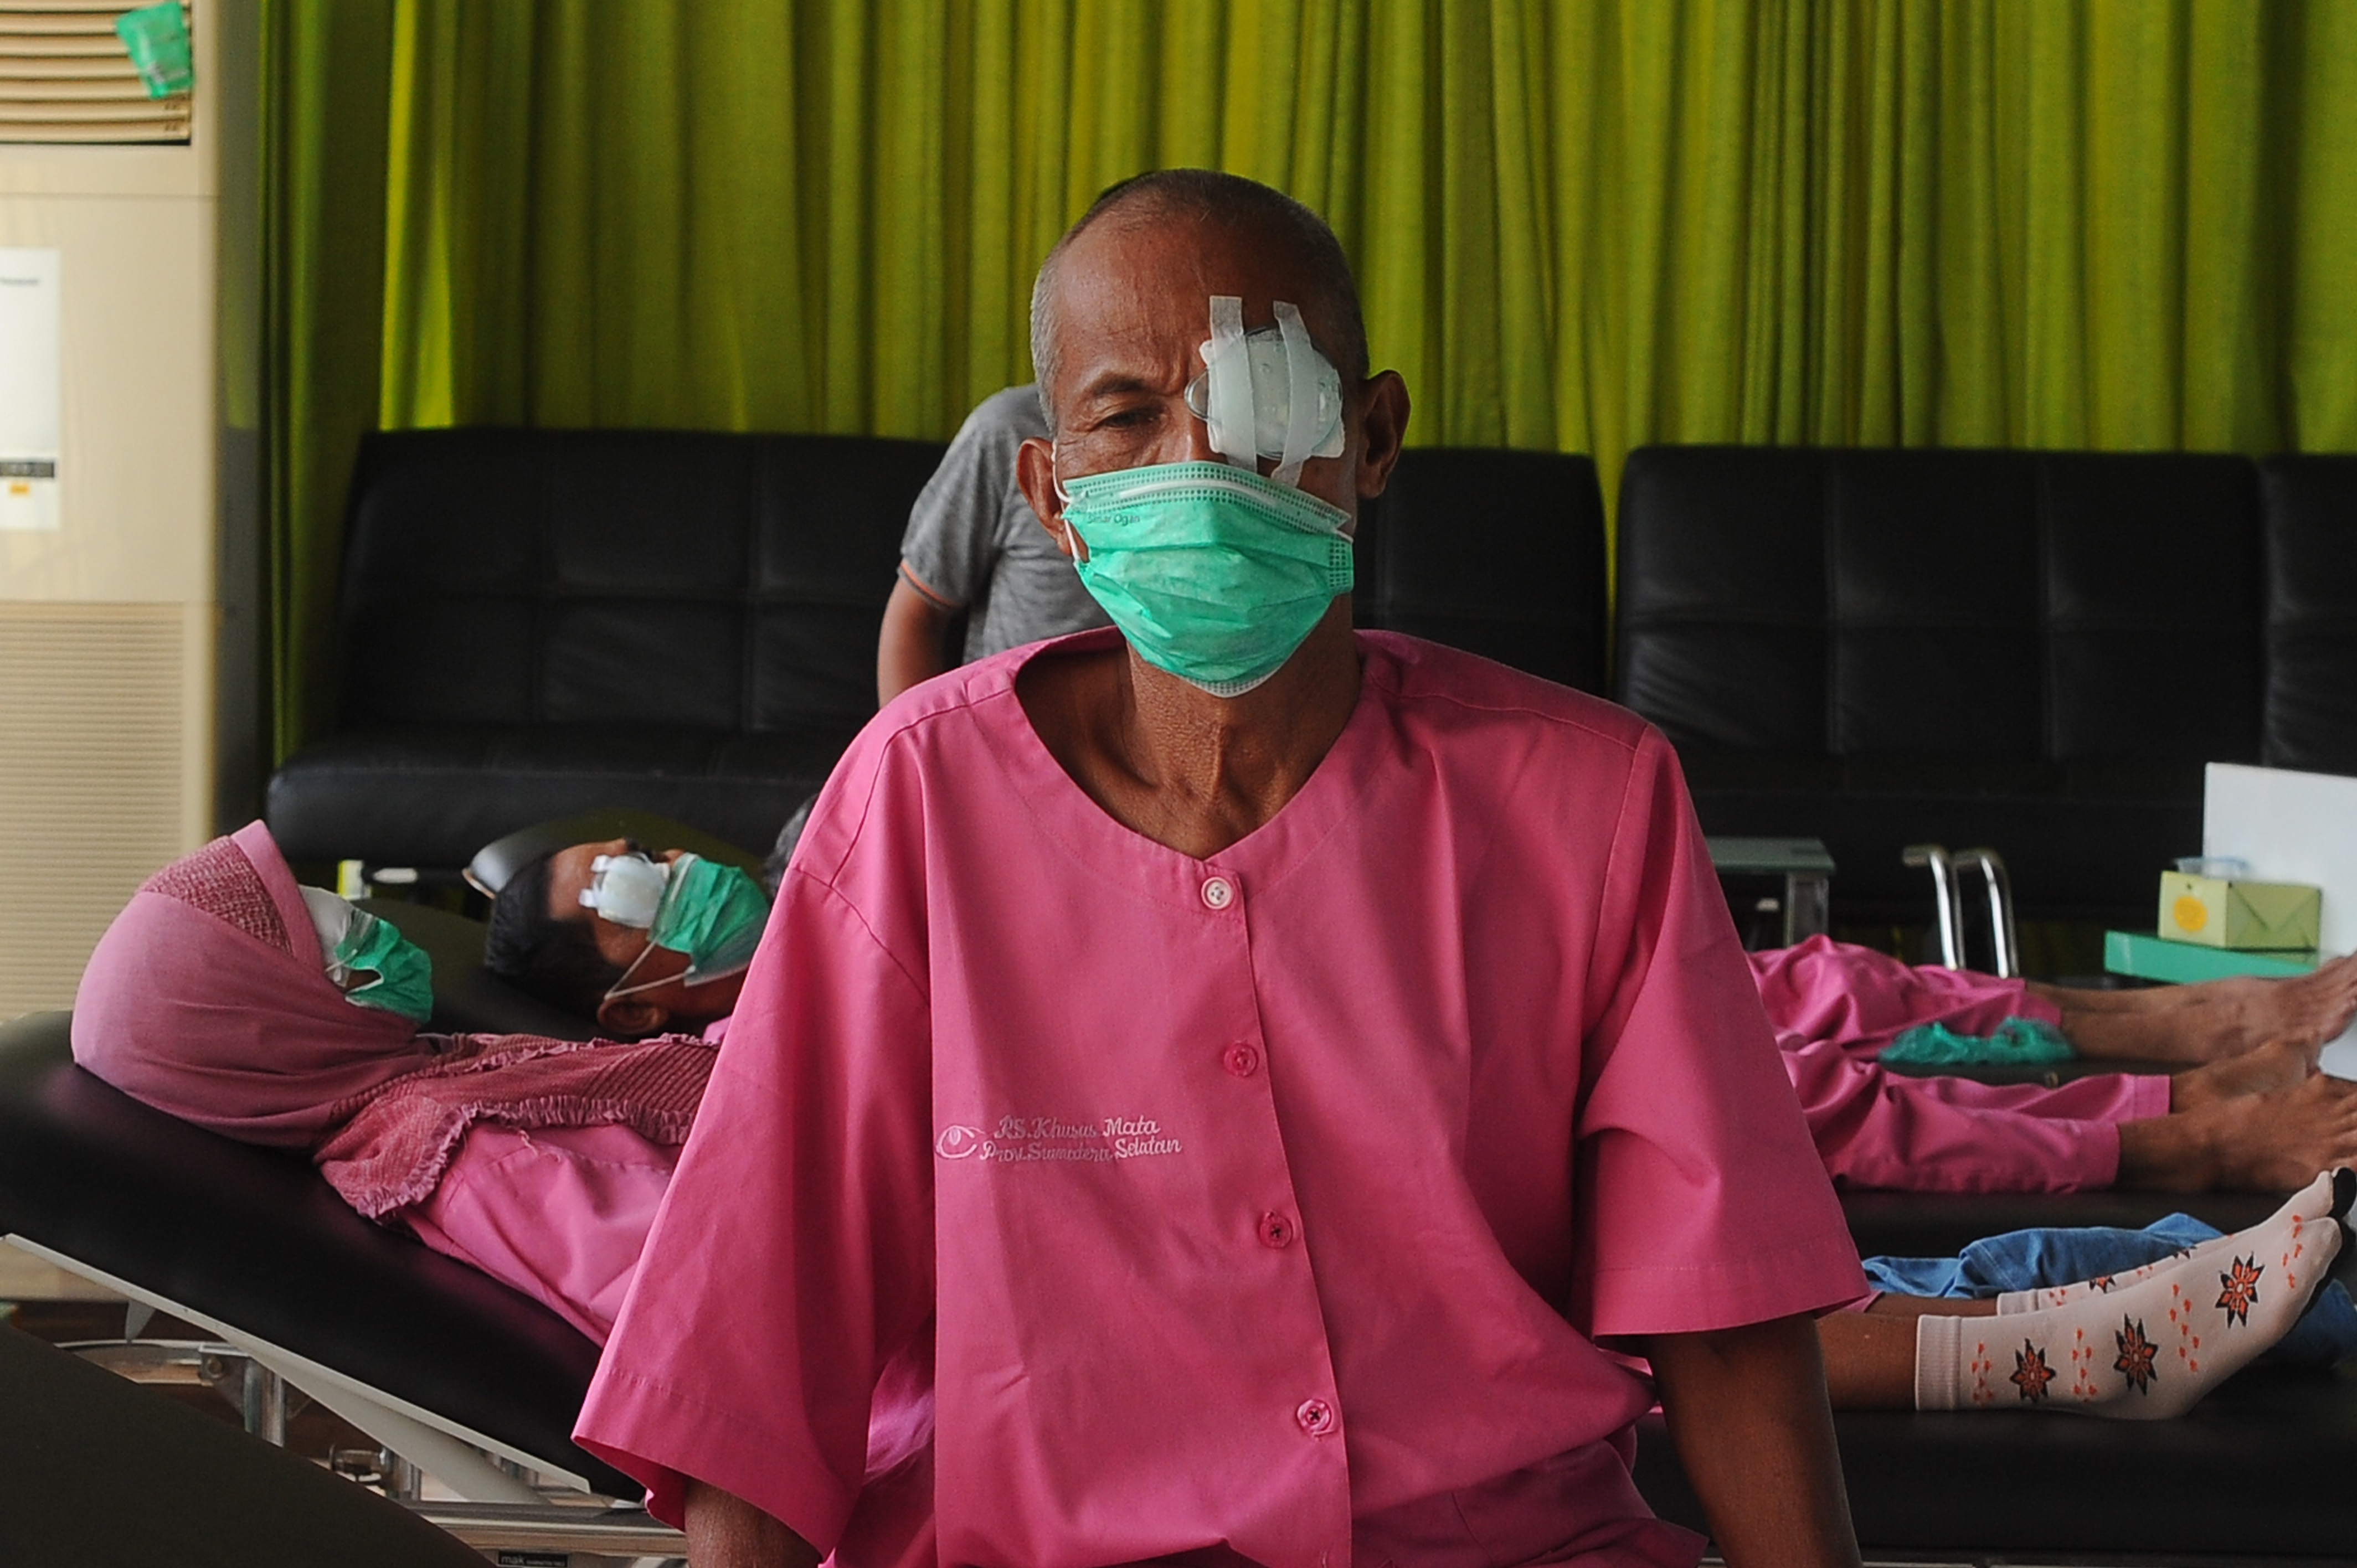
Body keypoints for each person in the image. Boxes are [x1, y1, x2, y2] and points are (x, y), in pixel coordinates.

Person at [578, 169, 1871, 1568]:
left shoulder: (1591, 798)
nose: (1199, 460)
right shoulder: (919, 803)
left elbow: (1726, 1310)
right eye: (1128, 415)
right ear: (1053, 492)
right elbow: (763, 1352)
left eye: (1261, 393)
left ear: (1372, 437)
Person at [69, 828, 2357, 1435]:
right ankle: (2078, 1329)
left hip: (1109, 1173)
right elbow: (735, 1317)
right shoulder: (465, 1145)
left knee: (1676, 1047)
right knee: (1546, 1253)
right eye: (302, 932)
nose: (358, 933)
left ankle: (2178, 1147)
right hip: (1078, 1300)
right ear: (267, 1020)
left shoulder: (492, 1077)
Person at [876, 384, 1110, 704]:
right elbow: (917, 611)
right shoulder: (1007, 429)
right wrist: (917, 748)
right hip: (1003, 734)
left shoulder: (1197, 443)